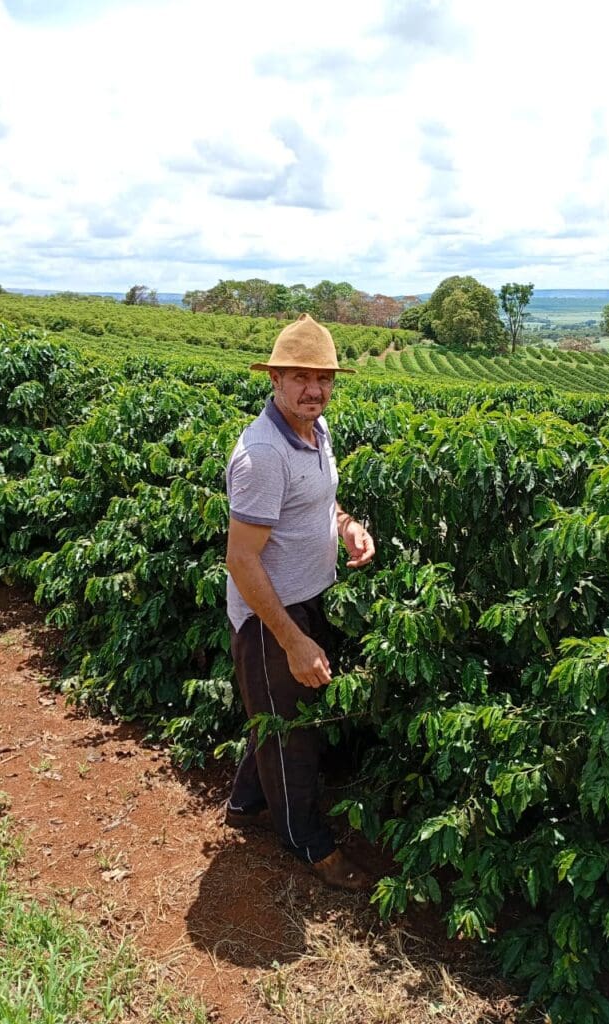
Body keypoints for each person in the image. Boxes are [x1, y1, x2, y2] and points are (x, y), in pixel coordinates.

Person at [223, 313, 375, 890]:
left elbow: (318, 502)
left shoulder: (317, 429)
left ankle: (245, 803)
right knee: (293, 734)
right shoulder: (263, 454)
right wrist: (292, 640)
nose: (315, 389)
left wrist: (347, 526)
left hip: (309, 599)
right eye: (301, 377)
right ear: (275, 380)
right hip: (271, 616)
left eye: (324, 378)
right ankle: (306, 840)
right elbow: (242, 560)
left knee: (278, 714)